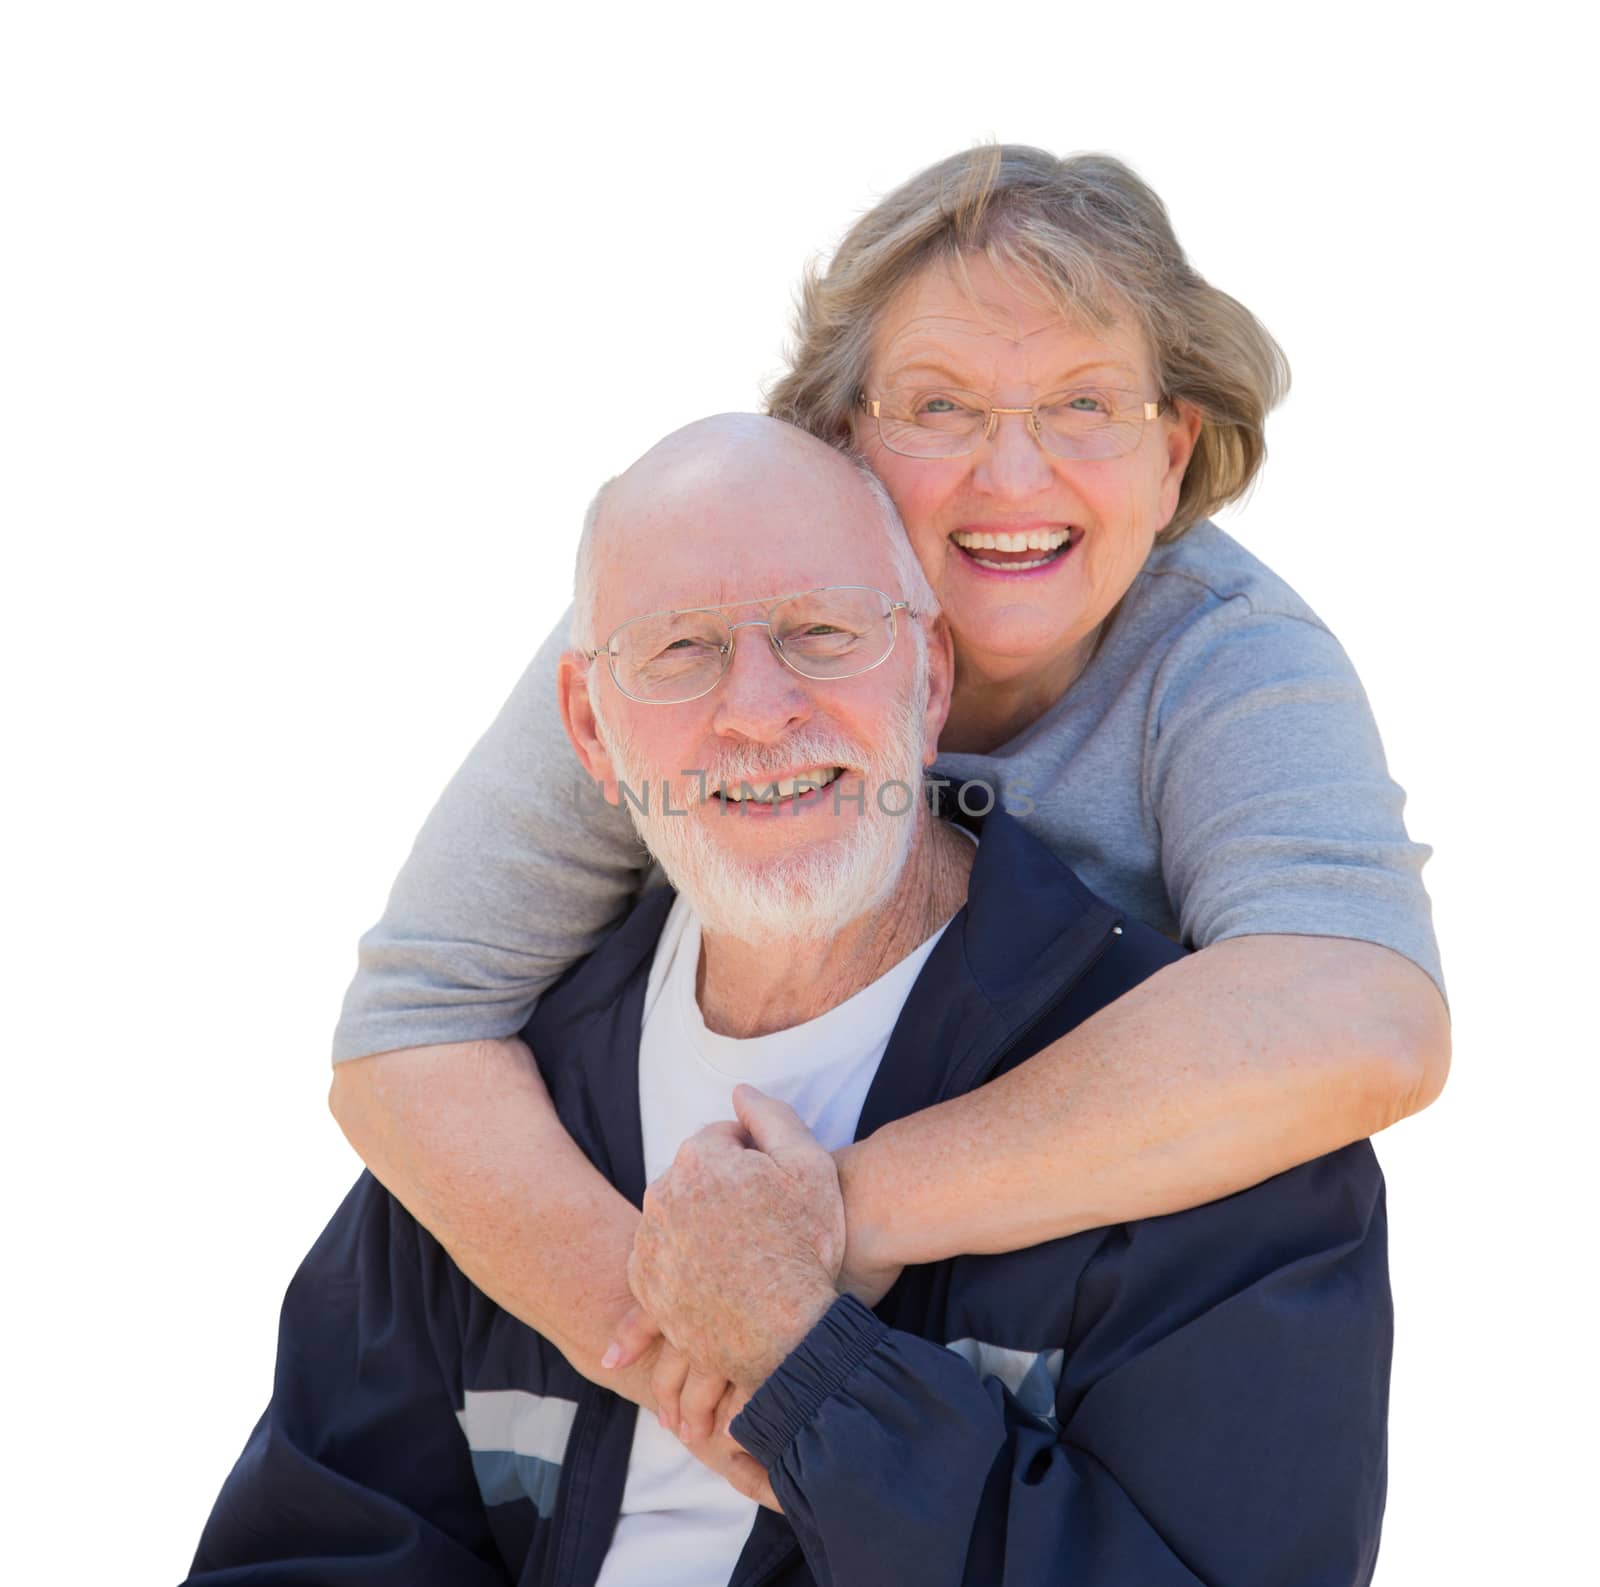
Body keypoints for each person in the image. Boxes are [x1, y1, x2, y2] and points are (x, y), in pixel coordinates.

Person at [327, 145, 1447, 1450]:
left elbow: (1367, 1014)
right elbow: (410, 1028)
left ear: (1175, 449)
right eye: (941, 406)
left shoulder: (1230, 657)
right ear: (837, 437)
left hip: (1051, 1349)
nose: (1013, 478)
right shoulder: (679, 627)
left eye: (1085, 403)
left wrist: (835, 1219)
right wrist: (687, 1357)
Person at [191, 417, 1392, 1586]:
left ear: (928, 680)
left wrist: (812, 1376)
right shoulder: (507, 1123)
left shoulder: (1207, 1127)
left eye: (823, 633)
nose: (757, 711)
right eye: (678, 649)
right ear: (587, 730)